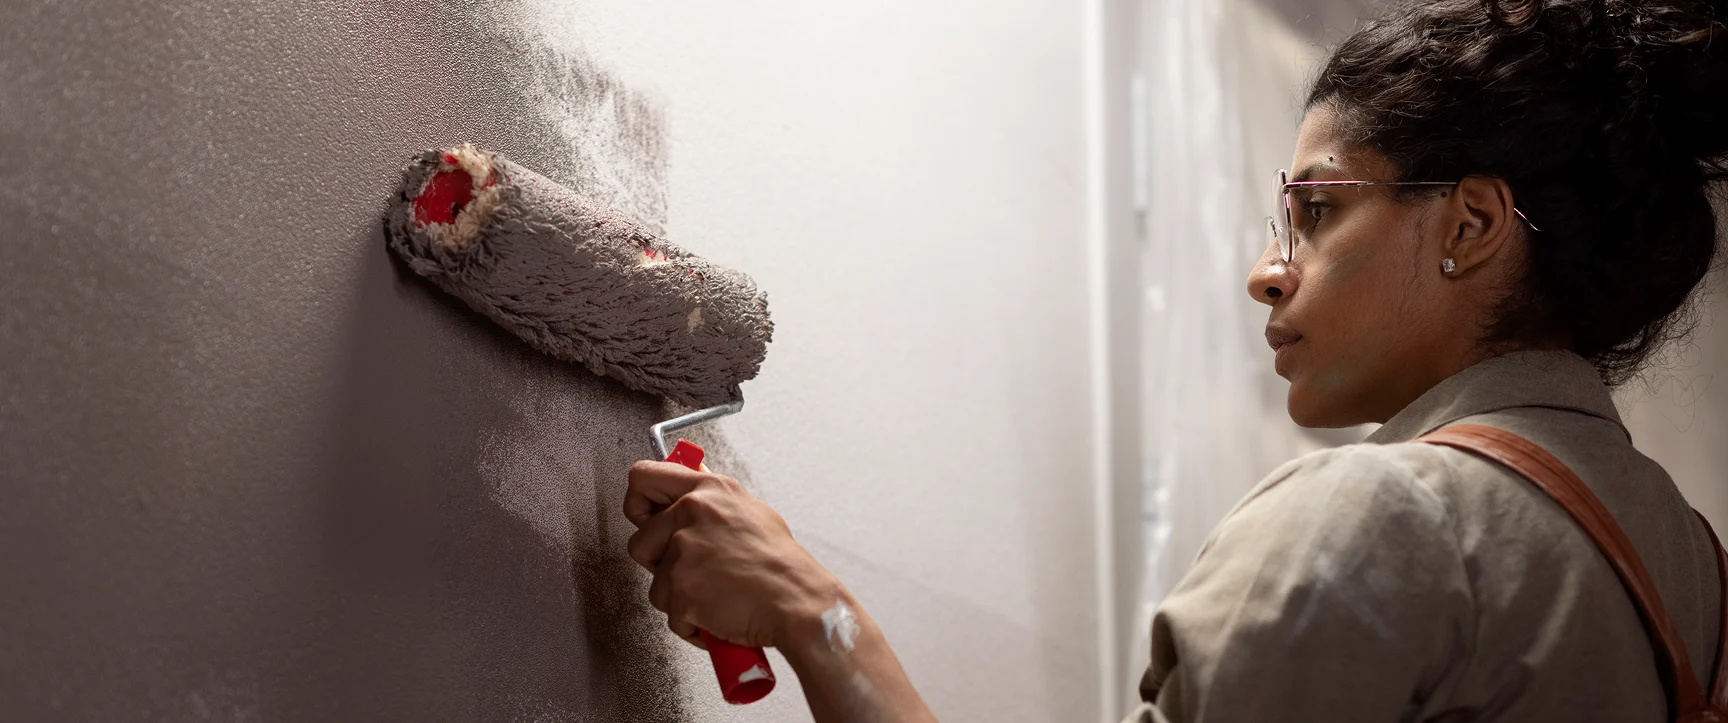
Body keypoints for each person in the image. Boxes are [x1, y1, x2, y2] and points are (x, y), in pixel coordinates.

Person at [620, 0, 1728, 719]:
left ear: (1472, 226)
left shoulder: (1388, 521)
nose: (1268, 271)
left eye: (1317, 211)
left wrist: (816, 615)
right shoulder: (1696, 575)